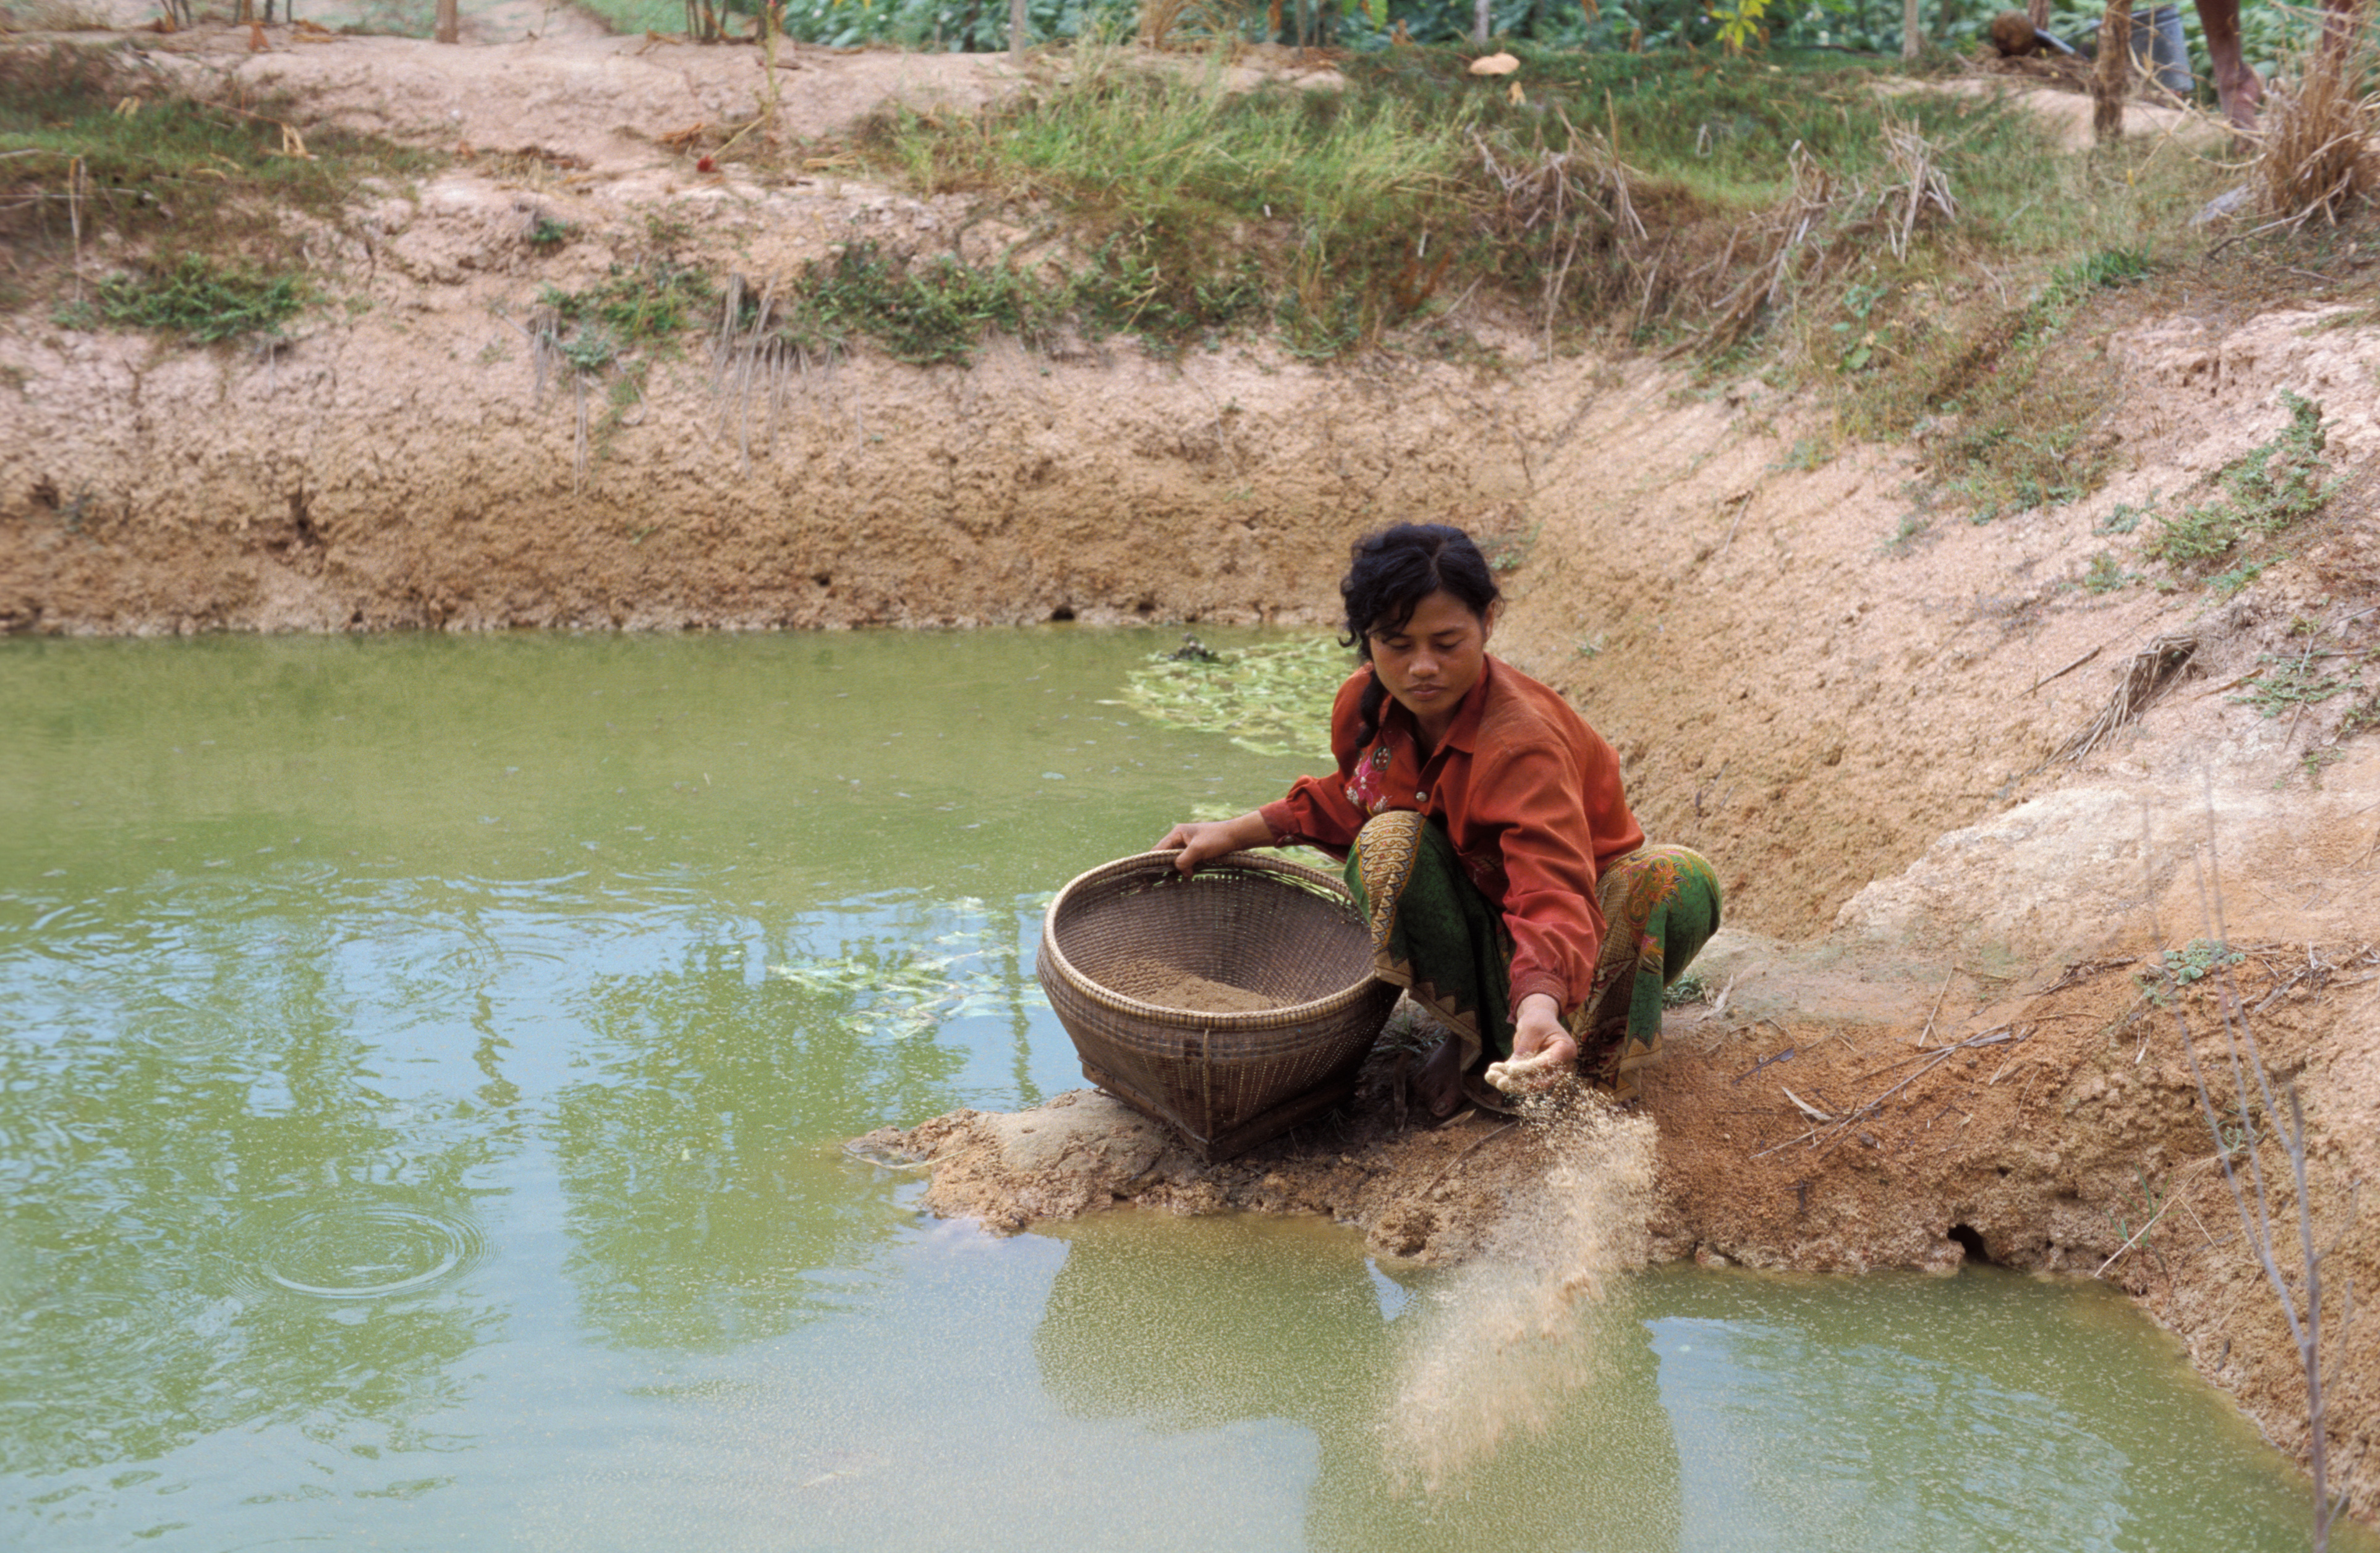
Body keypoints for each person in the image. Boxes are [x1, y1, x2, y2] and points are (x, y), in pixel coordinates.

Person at [1156, 523, 1720, 1119]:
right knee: (1388, 840)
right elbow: (1356, 801)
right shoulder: (1368, 706)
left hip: (1582, 935)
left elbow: (1550, 888)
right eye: (1397, 644)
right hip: (1482, 927)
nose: (1422, 667)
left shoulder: (1521, 743)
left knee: (1675, 879)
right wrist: (1230, 831)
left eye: (1446, 642)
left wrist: (1538, 1001)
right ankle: (1473, 1039)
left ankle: (1567, 1058)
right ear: (1368, 640)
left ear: (1488, 623)